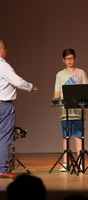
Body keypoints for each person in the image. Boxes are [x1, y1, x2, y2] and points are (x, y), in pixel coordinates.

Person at [0, 40, 38, 178]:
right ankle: (3, 169)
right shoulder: (3, 65)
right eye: (4, 48)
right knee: (4, 137)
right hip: (3, 105)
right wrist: (30, 87)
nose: (6, 50)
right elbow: (17, 81)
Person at [53, 48, 88, 172]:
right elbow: (56, 92)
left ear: (75, 59)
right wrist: (56, 99)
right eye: (67, 59)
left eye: (72, 58)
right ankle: (65, 162)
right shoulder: (60, 74)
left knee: (78, 136)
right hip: (65, 111)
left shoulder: (81, 73)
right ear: (63, 60)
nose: (70, 61)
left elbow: (86, 91)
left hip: (78, 111)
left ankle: (80, 162)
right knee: (66, 136)